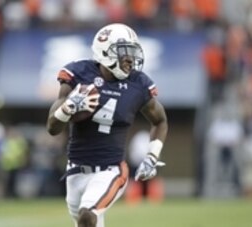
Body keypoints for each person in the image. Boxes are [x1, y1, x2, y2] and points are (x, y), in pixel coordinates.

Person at [46, 23, 168, 227]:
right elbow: (52, 127)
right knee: (88, 222)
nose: (130, 59)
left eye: (132, 52)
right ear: (105, 51)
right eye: (124, 52)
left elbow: (160, 120)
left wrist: (152, 156)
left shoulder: (138, 83)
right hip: (75, 170)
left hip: (111, 170)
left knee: (88, 215)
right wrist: (68, 108)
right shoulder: (79, 74)